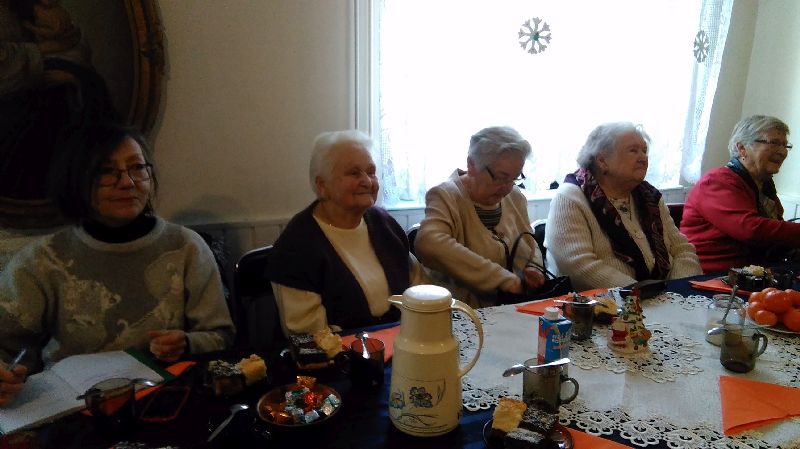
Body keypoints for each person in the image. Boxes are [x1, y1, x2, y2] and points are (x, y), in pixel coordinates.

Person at [0, 123, 235, 407]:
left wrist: (187, 343)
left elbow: (221, 335)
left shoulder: (186, 246)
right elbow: (7, 346)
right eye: (106, 171)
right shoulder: (42, 260)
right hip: (73, 408)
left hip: (166, 399)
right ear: (76, 181)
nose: (127, 182)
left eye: (137, 167)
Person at [268, 130, 427, 335]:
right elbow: (308, 333)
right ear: (322, 185)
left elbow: (418, 285)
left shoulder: (384, 224)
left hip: (404, 341)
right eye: (354, 173)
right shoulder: (297, 245)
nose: (367, 181)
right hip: (340, 351)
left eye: (371, 172)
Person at [545, 122, 701, 291]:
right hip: (607, 303)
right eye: (633, 151)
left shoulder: (650, 197)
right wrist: (640, 293)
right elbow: (578, 267)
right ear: (602, 160)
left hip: (666, 297)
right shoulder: (570, 198)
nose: (643, 158)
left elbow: (683, 250)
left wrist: (678, 290)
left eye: (644, 151)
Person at [415, 126, 545, 308]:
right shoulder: (446, 196)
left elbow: (529, 241)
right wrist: (504, 279)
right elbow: (429, 243)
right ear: (471, 165)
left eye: (515, 178)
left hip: (513, 309)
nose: (507, 188)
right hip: (462, 312)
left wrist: (533, 267)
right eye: (500, 177)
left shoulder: (515, 196)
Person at [681, 115, 800, 272]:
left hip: (754, 272)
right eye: (774, 143)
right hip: (709, 276)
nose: (782, 151)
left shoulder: (763, 184)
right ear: (742, 148)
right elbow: (751, 229)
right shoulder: (716, 181)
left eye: (785, 145)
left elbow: (775, 235)